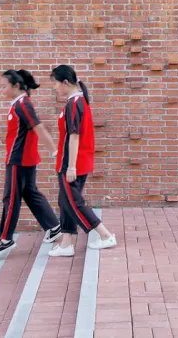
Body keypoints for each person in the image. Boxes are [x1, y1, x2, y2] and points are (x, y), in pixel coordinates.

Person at [0, 69, 62, 258]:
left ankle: (6, 239)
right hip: (23, 159)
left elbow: (38, 128)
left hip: (18, 160)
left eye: (4, 86)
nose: (1, 90)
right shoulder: (19, 104)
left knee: (11, 198)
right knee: (30, 193)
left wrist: (55, 151)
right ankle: (54, 227)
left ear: (16, 86)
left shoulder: (22, 104)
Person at [47, 65, 116, 257]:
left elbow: (74, 136)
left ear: (66, 82)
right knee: (65, 201)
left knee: (73, 202)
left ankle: (105, 235)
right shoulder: (77, 101)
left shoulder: (74, 103)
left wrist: (70, 166)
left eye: (56, 84)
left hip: (72, 163)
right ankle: (67, 243)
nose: (55, 88)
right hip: (74, 160)